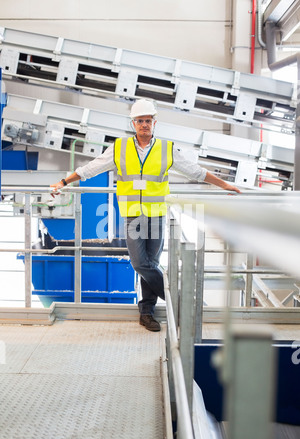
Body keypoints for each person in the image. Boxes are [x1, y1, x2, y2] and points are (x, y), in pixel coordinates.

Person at [51, 99, 240, 332]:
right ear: (133, 123)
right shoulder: (119, 147)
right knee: (140, 263)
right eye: (140, 121)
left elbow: (196, 171)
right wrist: (63, 182)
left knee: (151, 264)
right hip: (132, 215)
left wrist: (224, 185)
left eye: (148, 121)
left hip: (157, 214)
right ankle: (182, 303)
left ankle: (147, 313)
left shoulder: (166, 148)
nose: (144, 125)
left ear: (154, 122)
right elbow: (91, 168)